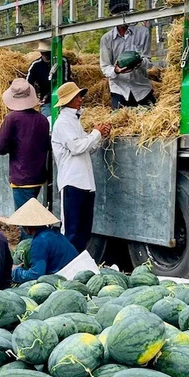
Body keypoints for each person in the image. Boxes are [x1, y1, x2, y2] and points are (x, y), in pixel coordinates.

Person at [50, 82, 109, 252]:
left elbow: (87, 147)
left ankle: (77, 265)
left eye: (79, 96)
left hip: (84, 183)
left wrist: (100, 136)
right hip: (72, 182)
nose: (80, 99)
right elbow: (77, 148)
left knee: (83, 231)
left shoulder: (75, 121)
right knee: (72, 231)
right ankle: (67, 267)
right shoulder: (62, 123)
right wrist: (96, 133)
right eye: (76, 96)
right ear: (67, 100)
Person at [0, 78, 52, 210]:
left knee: (25, 221)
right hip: (39, 175)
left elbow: (1, 148)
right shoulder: (42, 119)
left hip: (21, 177)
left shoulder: (11, 119)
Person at [100, 0, 155, 109]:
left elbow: (148, 62)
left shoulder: (143, 33)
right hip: (119, 90)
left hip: (141, 89)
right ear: (111, 15)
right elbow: (105, 66)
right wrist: (116, 70)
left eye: (124, 12)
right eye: (117, 13)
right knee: (120, 123)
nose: (121, 16)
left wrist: (140, 62)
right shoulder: (106, 39)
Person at [7, 198, 79, 283]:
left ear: (27, 227)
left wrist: (14, 271)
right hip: (76, 272)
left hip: (67, 279)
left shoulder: (40, 241)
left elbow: (35, 275)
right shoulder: (53, 233)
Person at [26, 40, 72, 118]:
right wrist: (35, 98)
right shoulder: (35, 65)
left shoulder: (62, 61)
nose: (45, 55)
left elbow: (66, 81)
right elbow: (28, 84)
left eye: (48, 52)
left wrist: (49, 95)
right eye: (43, 52)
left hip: (63, 98)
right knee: (47, 120)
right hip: (46, 102)